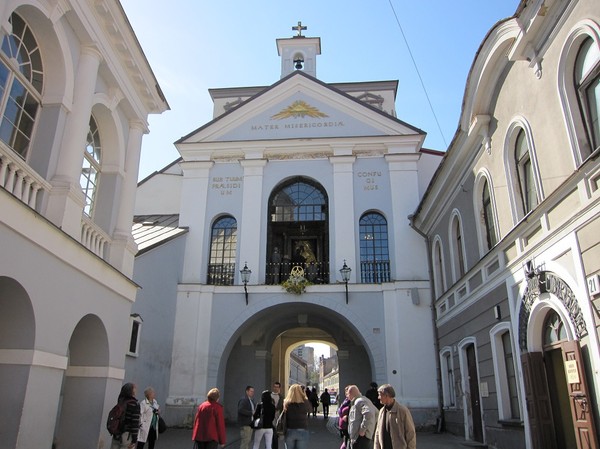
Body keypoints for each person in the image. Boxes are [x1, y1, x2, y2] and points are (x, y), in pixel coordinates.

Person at [374, 384, 416, 449]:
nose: (378, 397)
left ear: (387, 395)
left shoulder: (402, 411)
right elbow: (377, 433)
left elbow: (410, 433)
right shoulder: (382, 411)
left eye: (380, 395)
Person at [111, 382, 141, 449]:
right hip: (127, 436)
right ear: (131, 391)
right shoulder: (134, 404)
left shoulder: (120, 402)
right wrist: (134, 440)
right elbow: (135, 423)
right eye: (135, 389)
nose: (136, 390)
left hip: (116, 433)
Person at [347, 385, 377, 449]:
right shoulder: (364, 400)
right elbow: (377, 413)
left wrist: (363, 430)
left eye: (348, 394)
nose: (347, 397)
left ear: (350, 393)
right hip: (361, 438)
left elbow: (368, 414)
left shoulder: (359, 401)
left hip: (360, 439)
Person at [283, 384, 311, 449]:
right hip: (302, 429)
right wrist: (304, 396)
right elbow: (310, 410)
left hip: (290, 430)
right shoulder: (304, 403)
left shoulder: (286, 403)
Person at [271, 382, 284, 449]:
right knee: (270, 436)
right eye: (275, 387)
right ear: (273, 387)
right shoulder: (270, 396)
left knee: (276, 436)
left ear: (279, 388)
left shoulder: (281, 397)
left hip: (278, 418)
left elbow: (282, 407)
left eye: (277, 387)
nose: (276, 388)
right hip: (270, 419)